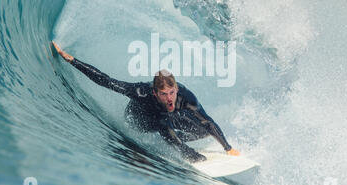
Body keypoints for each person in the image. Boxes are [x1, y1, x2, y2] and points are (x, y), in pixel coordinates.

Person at [52, 41, 240, 163]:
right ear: (155, 92)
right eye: (164, 94)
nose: (169, 98)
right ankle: (186, 152)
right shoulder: (140, 92)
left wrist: (228, 148)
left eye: (172, 93)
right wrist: (72, 61)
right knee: (163, 124)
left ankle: (180, 140)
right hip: (139, 120)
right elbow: (107, 81)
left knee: (202, 129)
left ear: (176, 89)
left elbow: (207, 121)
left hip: (165, 119)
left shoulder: (185, 98)